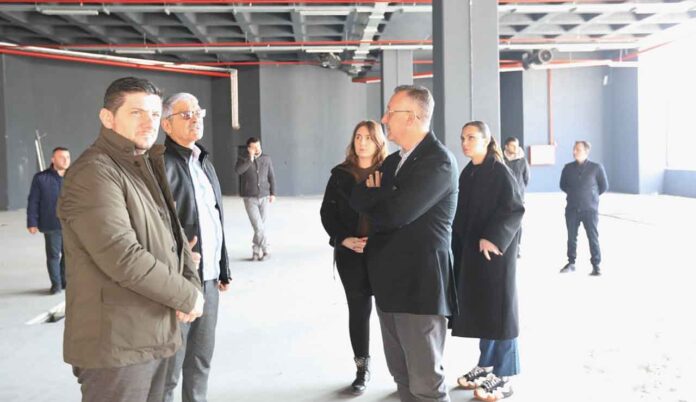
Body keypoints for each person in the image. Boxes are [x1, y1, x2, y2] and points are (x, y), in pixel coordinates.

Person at [57, 77, 204, 402]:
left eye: (154, 114)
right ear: (108, 118)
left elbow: (175, 236)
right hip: (116, 345)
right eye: (136, 113)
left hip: (154, 332)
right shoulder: (94, 172)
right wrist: (186, 295)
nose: (149, 123)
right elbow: (122, 256)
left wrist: (191, 282)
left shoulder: (144, 165)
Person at [350, 85, 459, 402]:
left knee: (426, 384)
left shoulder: (438, 162)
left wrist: (379, 193)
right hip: (389, 286)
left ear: (411, 117)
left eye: (390, 112)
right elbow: (357, 197)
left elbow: (396, 214)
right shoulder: (394, 160)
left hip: (418, 289)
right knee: (402, 378)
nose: (384, 119)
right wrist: (383, 194)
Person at [160, 93, 231, 402]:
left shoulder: (203, 162)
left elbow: (214, 218)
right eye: (186, 114)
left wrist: (223, 268)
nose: (195, 118)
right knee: (169, 367)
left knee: (200, 361)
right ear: (166, 124)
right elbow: (153, 227)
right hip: (179, 281)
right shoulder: (160, 165)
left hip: (209, 280)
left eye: (198, 112)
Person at [450, 121, 525, 402]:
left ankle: (505, 376)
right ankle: (486, 366)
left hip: (495, 254)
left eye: (471, 137)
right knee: (485, 311)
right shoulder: (469, 172)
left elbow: (515, 209)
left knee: (502, 313)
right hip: (473, 254)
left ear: (486, 140)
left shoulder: (500, 171)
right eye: (462, 138)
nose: (465, 143)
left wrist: (493, 237)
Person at [320, 120, 388, 394]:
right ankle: (362, 369)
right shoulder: (340, 174)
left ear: (378, 142)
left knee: (392, 313)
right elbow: (327, 213)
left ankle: (404, 369)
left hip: (383, 253)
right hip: (351, 253)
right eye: (358, 137)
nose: (362, 142)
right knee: (359, 312)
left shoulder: (389, 172)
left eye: (368, 138)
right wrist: (342, 238)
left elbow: (397, 211)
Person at [559, 140, 609, 276]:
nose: (574, 152)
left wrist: (591, 197)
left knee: (593, 237)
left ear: (586, 151)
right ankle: (571, 263)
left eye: (578, 149)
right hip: (572, 209)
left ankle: (596, 265)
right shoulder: (568, 168)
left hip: (590, 210)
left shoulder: (596, 168)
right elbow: (562, 185)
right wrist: (575, 193)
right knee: (571, 237)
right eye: (574, 149)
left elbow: (603, 186)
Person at [27, 147, 71, 294]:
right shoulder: (41, 178)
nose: (65, 160)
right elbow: (33, 201)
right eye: (61, 157)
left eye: (67, 157)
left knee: (69, 254)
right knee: (53, 255)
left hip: (71, 224)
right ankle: (56, 284)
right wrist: (32, 222)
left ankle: (65, 282)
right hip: (51, 223)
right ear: (53, 159)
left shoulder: (75, 177)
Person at [235, 137, 276, 261]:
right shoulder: (243, 159)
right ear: (249, 148)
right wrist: (250, 159)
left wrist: (273, 193)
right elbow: (238, 171)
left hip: (264, 196)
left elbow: (271, 176)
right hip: (249, 197)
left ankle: (256, 251)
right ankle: (266, 250)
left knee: (260, 226)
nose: (257, 148)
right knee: (258, 225)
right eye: (254, 147)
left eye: (258, 146)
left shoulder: (266, 158)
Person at [503, 137, 529, 258]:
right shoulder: (501, 159)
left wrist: (519, 190)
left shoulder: (522, 161)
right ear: (506, 146)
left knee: (518, 223)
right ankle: (505, 245)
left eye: (517, 146)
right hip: (504, 196)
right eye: (512, 146)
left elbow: (526, 178)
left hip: (518, 197)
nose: (515, 148)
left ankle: (517, 247)